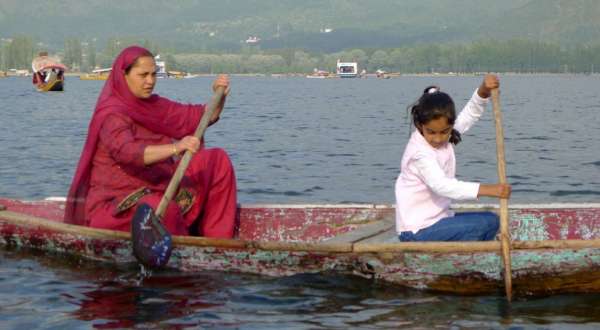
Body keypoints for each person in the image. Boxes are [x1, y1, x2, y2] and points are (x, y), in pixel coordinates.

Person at [65, 45, 237, 239]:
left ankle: (217, 240)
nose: (150, 81)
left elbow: (204, 116)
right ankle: (177, 243)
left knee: (217, 160)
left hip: (160, 190)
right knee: (162, 211)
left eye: (154, 75)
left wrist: (219, 97)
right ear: (124, 75)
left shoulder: (155, 106)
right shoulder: (111, 115)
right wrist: (176, 147)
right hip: (118, 206)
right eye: (143, 75)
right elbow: (129, 152)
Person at [395, 74, 511, 241]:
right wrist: (488, 189)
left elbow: (469, 115)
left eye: (444, 132)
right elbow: (441, 186)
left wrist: (483, 91)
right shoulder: (419, 153)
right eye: (431, 132)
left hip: (438, 220)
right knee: (489, 223)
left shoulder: (445, 133)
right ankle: (467, 258)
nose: (438, 138)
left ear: (449, 126)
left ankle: (468, 254)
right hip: (416, 232)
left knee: (491, 219)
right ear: (420, 125)